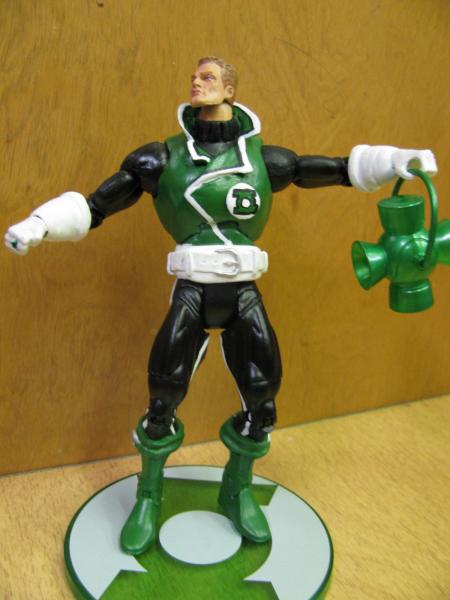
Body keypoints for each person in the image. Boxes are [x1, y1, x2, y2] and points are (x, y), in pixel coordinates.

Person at [5, 56, 437, 556]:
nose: (196, 82)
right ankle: (149, 494)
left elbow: (333, 169)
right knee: (162, 400)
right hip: (193, 288)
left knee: (263, 400)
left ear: (229, 89)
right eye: (194, 76)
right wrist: (41, 224)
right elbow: (98, 204)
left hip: (243, 290)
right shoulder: (160, 159)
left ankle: (237, 488)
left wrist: (392, 160)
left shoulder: (263, 161)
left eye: (208, 77)